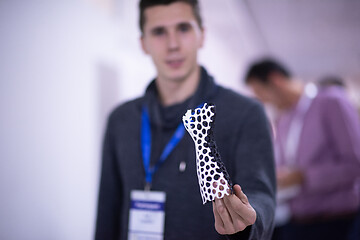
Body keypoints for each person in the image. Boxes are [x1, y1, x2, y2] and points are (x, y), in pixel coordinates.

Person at [95, 1, 276, 239]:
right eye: (159, 32)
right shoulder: (121, 120)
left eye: (183, 28)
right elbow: (107, 214)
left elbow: (262, 195)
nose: (173, 45)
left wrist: (248, 220)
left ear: (202, 35)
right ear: (143, 44)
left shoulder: (245, 113)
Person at [244, 58, 360, 240]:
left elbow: (354, 164)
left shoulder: (331, 101)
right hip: (298, 222)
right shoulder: (283, 120)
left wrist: (304, 177)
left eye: (261, 92)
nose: (264, 101)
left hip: (337, 222)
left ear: (276, 80)